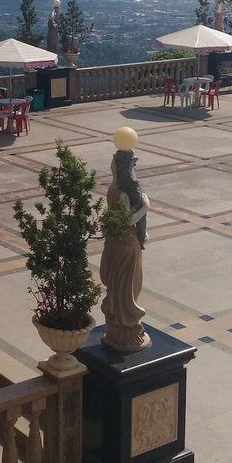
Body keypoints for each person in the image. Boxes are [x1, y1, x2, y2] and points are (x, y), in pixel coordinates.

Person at [100, 149, 151, 353]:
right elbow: (128, 220)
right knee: (127, 286)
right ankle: (126, 325)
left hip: (115, 241)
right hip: (126, 244)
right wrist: (145, 207)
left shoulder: (112, 189)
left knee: (119, 284)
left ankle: (119, 325)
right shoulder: (120, 193)